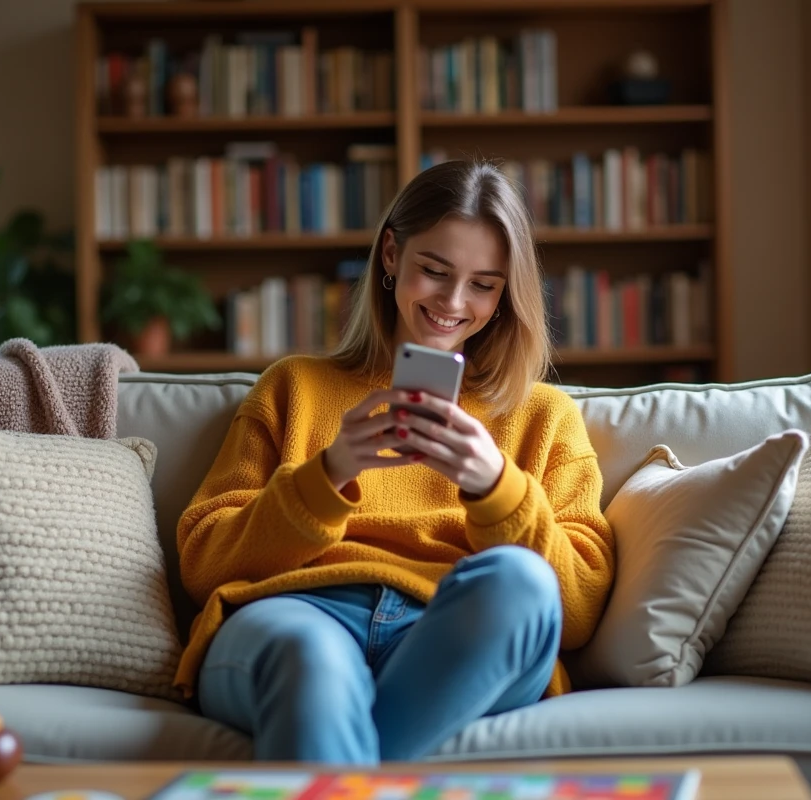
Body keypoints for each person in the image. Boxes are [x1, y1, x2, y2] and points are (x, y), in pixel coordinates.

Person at [175, 160, 614, 764]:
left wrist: (496, 489)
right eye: (434, 271)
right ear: (390, 256)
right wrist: (326, 475)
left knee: (522, 581)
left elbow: (578, 606)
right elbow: (202, 562)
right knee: (310, 658)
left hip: (453, 639)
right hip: (303, 616)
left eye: (484, 285)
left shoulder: (544, 416)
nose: (454, 303)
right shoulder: (293, 388)